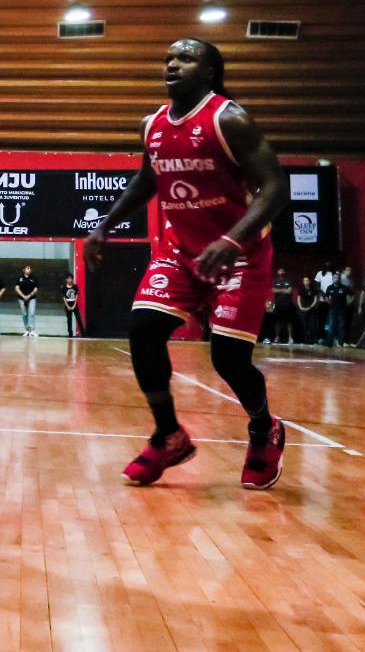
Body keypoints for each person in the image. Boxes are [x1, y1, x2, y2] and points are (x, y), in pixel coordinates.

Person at [83, 38, 288, 490]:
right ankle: (168, 434)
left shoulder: (229, 119)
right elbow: (146, 179)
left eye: (186, 58)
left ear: (210, 72)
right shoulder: (152, 124)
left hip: (238, 252)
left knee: (229, 359)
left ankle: (263, 428)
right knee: (142, 330)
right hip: (180, 251)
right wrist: (104, 226)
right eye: (168, 58)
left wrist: (233, 240)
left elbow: (275, 186)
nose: (172, 64)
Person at [15, 265, 40, 338]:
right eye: (27, 268)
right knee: (24, 314)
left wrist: (29, 295)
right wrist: (23, 296)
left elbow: (36, 289)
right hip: (21, 298)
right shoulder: (19, 278)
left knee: (31, 313)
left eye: (30, 269)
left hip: (32, 298)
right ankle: (27, 330)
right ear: (24, 270)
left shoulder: (33, 278)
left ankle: (32, 331)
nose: (28, 270)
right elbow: (16, 288)